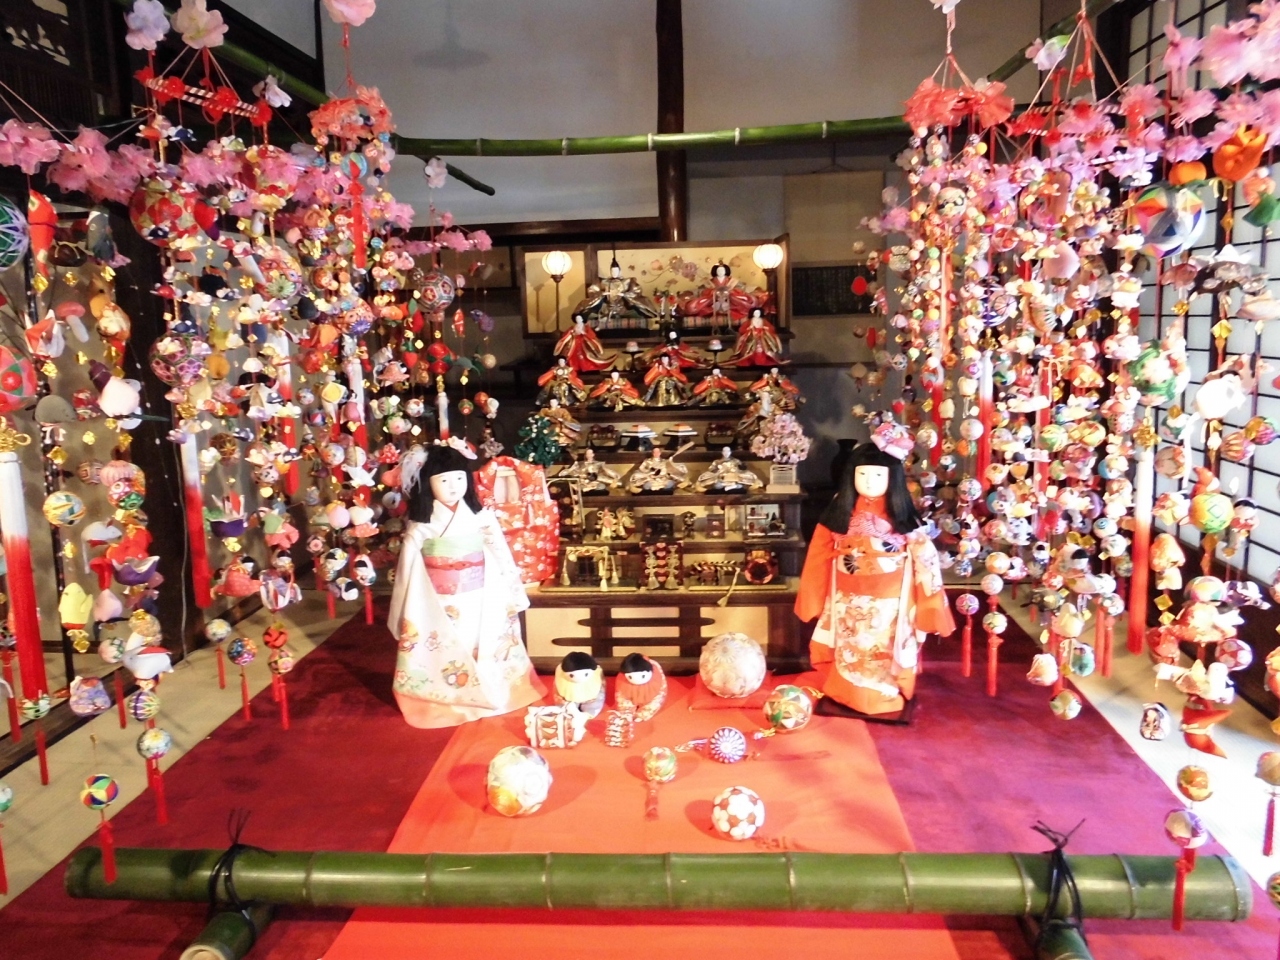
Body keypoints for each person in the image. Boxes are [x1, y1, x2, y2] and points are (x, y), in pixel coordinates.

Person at [795, 421, 955, 717]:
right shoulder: (840, 511)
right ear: (851, 476)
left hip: (889, 599)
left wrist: (930, 603)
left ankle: (885, 691)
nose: (869, 481)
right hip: (846, 596)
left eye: (878, 475)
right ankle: (846, 690)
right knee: (850, 643)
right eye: (862, 474)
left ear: (892, 478)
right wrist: (812, 596)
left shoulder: (900, 513)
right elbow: (818, 555)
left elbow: (925, 558)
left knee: (882, 645)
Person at [387, 442, 546, 728]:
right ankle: (449, 697)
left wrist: (513, 591)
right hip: (439, 599)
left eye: (459, 478)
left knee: (483, 640)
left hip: (481, 591)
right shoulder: (422, 525)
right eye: (444, 480)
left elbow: (500, 552)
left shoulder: (480, 516)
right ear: (428, 484)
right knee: (450, 644)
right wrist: (401, 609)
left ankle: (492, 689)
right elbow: (406, 571)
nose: (453, 486)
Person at [554, 314, 618, 372]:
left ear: (582, 319)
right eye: (576, 318)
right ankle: (574, 367)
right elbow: (566, 335)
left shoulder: (586, 328)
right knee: (572, 357)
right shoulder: (573, 327)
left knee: (586, 357)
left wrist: (584, 333)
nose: (578, 319)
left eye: (579, 318)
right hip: (575, 342)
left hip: (584, 343)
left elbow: (592, 336)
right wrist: (572, 333)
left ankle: (586, 367)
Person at [695, 447, 763, 492]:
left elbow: (742, 468)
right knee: (707, 477)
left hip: (734, 476)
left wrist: (742, 466)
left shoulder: (735, 460)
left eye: (728, 452)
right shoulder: (717, 461)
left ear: (730, 452)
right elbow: (711, 469)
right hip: (720, 476)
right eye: (724, 452)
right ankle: (730, 486)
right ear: (722, 452)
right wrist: (718, 465)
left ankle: (733, 485)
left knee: (748, 475)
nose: (726, 453)